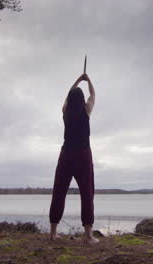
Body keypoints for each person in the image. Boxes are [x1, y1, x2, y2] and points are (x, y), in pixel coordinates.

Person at [49, 72, 99, 244]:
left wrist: (78, 80)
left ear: (70, 99)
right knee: (87, 193)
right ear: (81, 99)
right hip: (83, 155)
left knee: (59, 191)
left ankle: (53, 233)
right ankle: (88, 236)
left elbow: (69, 95)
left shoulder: (65, 111)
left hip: (66, 154)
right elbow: (93, 95)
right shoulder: (86, 110)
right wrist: (88, 80)